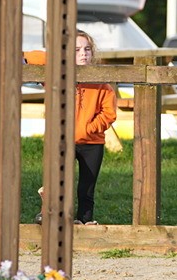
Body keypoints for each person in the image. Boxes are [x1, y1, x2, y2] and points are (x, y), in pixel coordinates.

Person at [26, 30, 117, 225]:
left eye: (87, 49)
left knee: (87, 186)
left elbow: (109, 113)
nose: (83, 53)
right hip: (62, 141)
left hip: (92, 142)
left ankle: (84, 220)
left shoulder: (101, 82)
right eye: (76, 50)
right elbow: (31, 57)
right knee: (58, 180)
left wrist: (89, 128)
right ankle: (52, 214)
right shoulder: (56, 76)